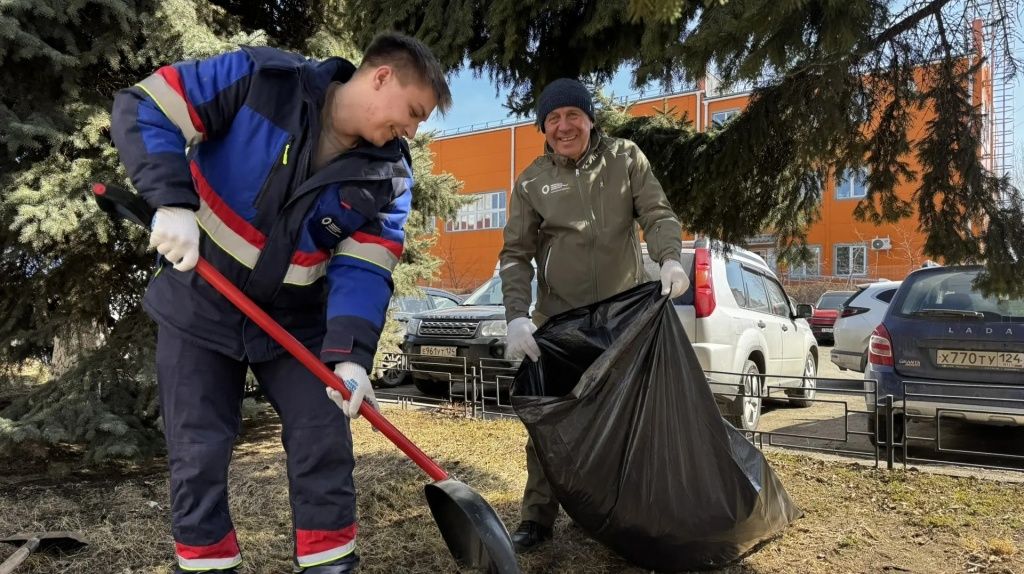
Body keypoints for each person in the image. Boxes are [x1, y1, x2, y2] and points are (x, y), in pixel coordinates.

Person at [110, 33, 451, 574]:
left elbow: (363, 270)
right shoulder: (259, 82)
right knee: (197, 456)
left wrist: (352, 357)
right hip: (199, 304)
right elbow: (146, 104)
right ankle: (206, 567)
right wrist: (171, 202)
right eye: (413, 112)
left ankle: (331, 567)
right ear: (381, 76)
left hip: (294, 325)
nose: (411, 130)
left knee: (324, 445)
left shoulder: (390, 178)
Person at [498, 78, 688, 552]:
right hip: (560, 322)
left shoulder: (625, 158)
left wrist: (667, 257)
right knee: (550, 421)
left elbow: (658, 213)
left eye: (572, 116)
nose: (564, 126)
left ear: (589, 119)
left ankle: (620, 513)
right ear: (544, 127)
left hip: (623, 320)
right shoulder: (531, 181)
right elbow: (515, 254)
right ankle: (537, 519)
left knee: (627, 420)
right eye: (553, 119)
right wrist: (517, 316)